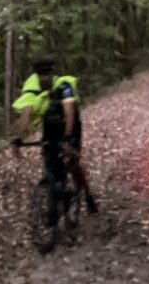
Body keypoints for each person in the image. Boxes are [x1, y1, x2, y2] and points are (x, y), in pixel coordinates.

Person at [13, 58, 97, 214]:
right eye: (41, 75)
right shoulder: (33, 92)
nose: (44, 78)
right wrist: (19, 138)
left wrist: (67, 137)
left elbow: (69, 111)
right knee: (49, 158)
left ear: (52, 74)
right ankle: (53, 192)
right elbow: (26, 114)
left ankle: (87, 195)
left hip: (70, 126)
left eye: (47, 74)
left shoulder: (64, 87)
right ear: (37, 77)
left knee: (72, 162)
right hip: (50, 128)